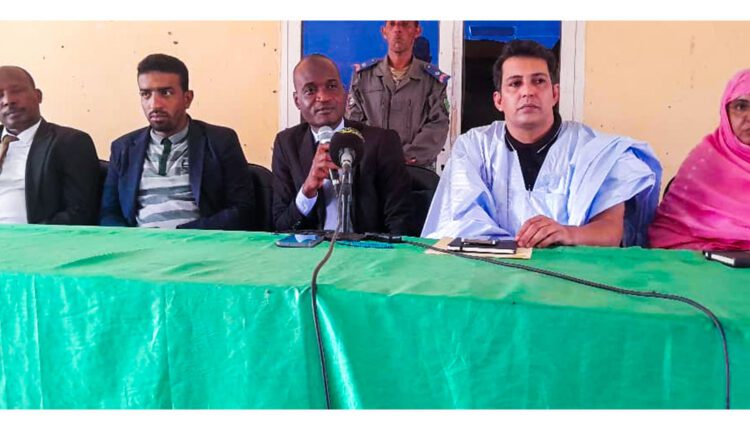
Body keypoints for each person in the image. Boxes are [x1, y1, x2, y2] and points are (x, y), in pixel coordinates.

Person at [422, 40, 662, 248]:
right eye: (515, 83)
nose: (528, 91)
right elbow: (460, 223)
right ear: (499, 100)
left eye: (538, 81)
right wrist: (516, 252)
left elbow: (610, 230)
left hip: (570, 277)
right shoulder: (473, 147)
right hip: (492, 273)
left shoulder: (596, 151)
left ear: (555, 94)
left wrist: (568, 233)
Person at [100, 54, 253, 230]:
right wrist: (136, 239)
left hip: (200, 241)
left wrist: (181, 235)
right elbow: (108, 213)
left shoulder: (220, 141)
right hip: (141, 243)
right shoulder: (123, 148)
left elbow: (243, 210)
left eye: (166, 93)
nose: (154, 104)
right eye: (146, 94)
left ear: (187, 98)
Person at [272, 54, 411, 234]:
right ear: (297, 101)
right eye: (310, 90)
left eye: (331, 86)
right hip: (311, 250)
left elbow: (400, 223)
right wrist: (307, 191)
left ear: (345, 93)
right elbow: (280, 226)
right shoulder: (287, 144)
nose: (323, 97)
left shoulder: (381, 142)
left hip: (368, 249)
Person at [649, 70, 750, 250]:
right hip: (705, 261)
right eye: (741, 107)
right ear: (725, 112)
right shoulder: (704, 163)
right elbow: (669, 235)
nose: (749, 117)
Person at [0, 65, 100, 225]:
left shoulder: (70, 142)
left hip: (34, 237)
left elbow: (79, 212)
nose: (8, 101)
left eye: (17, 91)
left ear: (38, 96)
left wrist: (31, 235)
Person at [346, 21, 449, 170]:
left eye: (405, 24)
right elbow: (353, 123)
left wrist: (405, 156)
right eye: (392, 24)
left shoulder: (432, 81)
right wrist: (375, 154)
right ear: (384, 31)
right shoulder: (364, 77)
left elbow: (438, 125)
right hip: (371, 168)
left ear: (417, 31)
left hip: (415, 170)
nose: (397, 30)